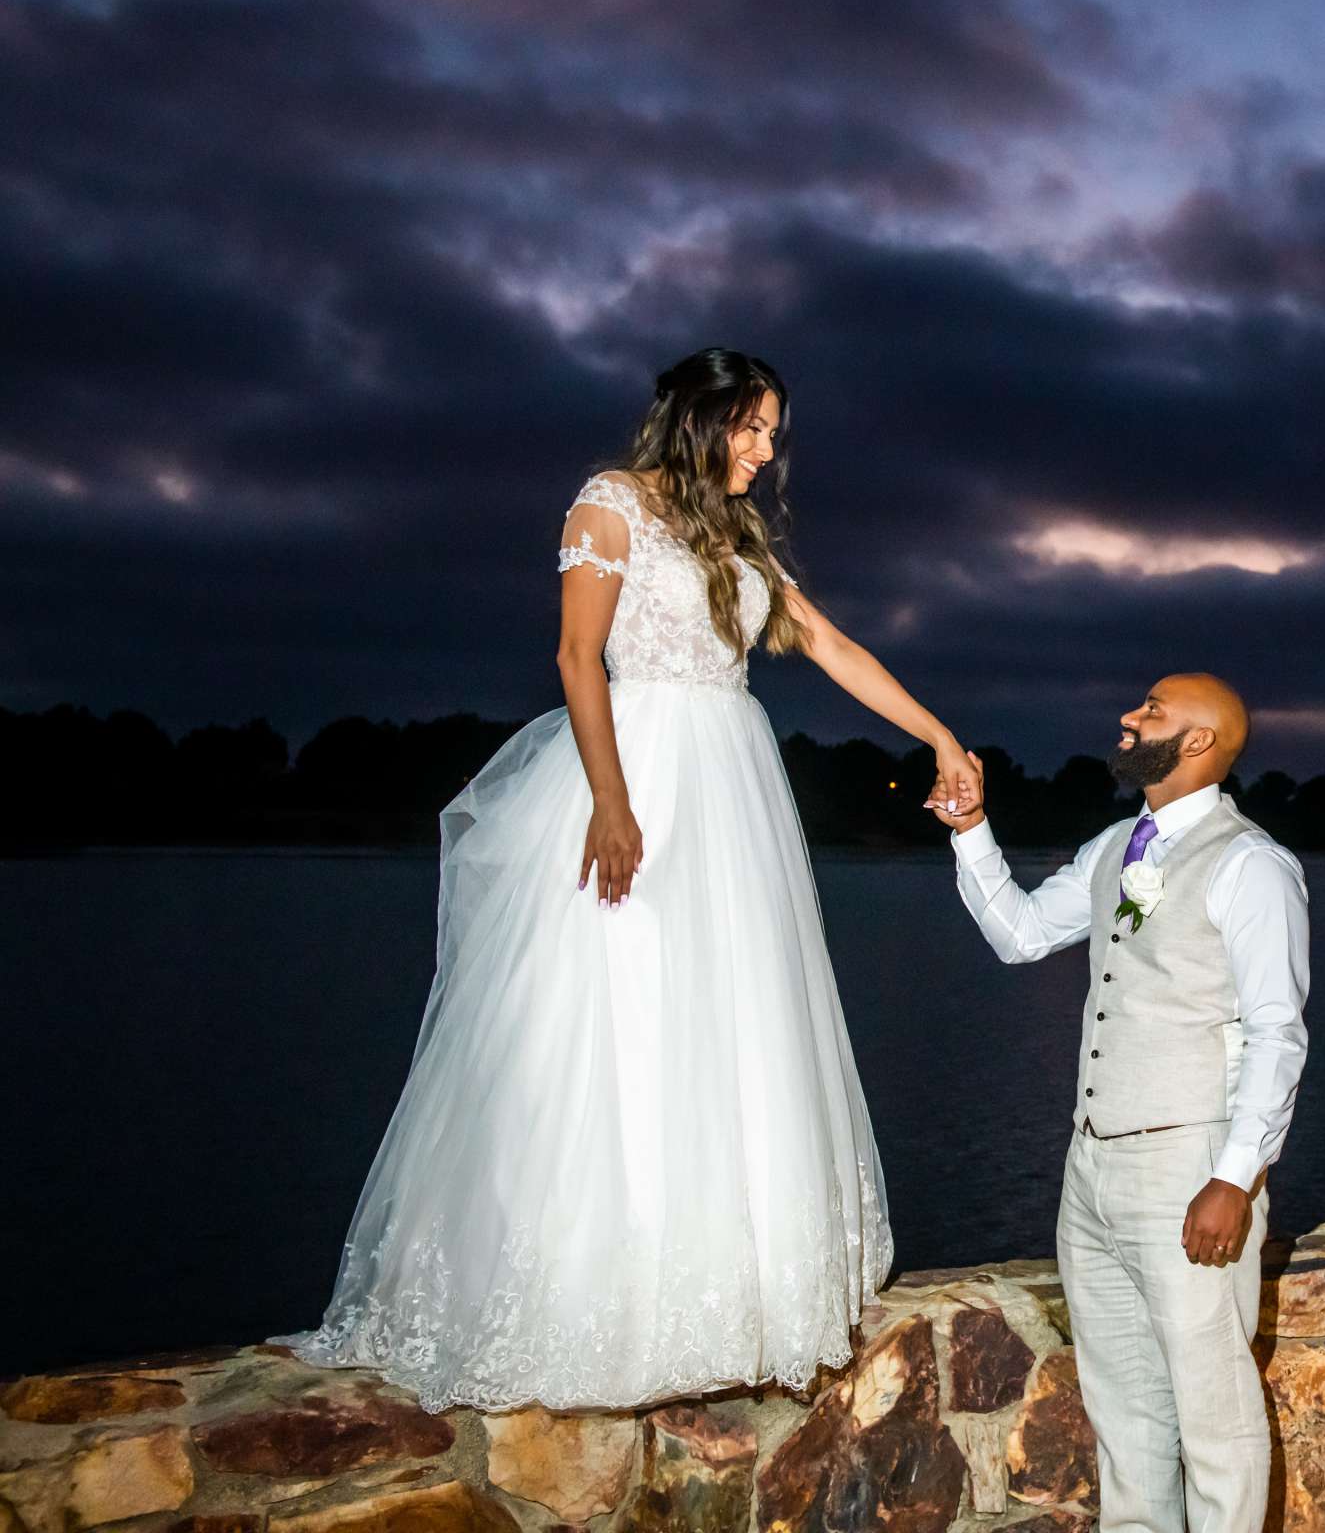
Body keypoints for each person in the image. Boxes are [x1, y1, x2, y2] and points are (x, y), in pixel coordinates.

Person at [280, 348, 980, 1413]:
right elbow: (576, 657)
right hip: (637, 766)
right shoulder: (608, 504)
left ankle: (726, 1297)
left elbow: (828, 642)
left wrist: (940, 735)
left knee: (731, 1022)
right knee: (617, 1012)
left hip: (732, 794)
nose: (765, 450)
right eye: (751, 428)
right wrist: (611, 800)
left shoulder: (736, 531)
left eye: (773, 433)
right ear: (699, 419)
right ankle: (587, 1296)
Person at [928, 675, 1308, 1533]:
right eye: (1139, 706)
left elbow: (1279, 1036)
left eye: (1153, 711)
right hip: (1090, 1167)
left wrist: (1235, 1179)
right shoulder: (1114, 847)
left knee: (1214, 1411)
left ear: (1201, 742)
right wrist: (971, 831)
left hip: (1188, 1165)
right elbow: (1021, 934)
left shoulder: (1252, 865)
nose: (1131, 719)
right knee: (1123, 1409)